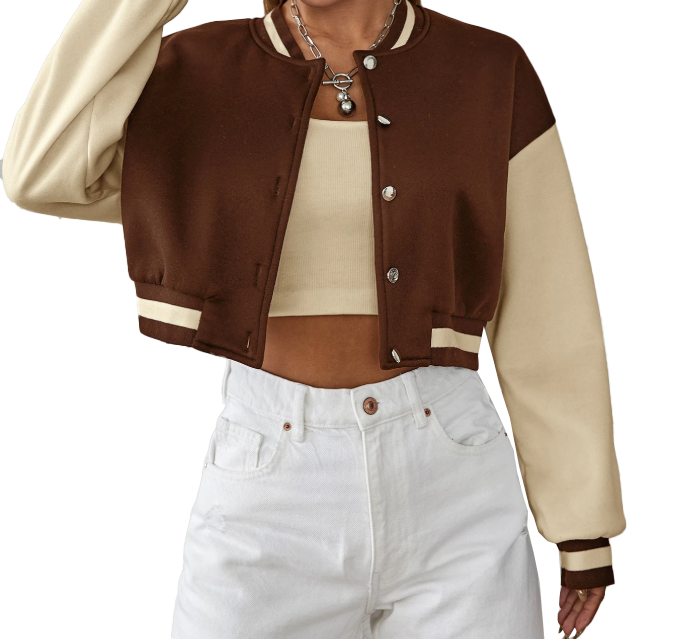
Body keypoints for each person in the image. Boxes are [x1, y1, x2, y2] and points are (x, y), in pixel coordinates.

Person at [2, 0, 626, 637]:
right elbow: (37, 174)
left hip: (453, 479)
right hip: (268, 476)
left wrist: (581, 525)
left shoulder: (489, 71)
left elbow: (548, 305)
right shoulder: (192, 72)